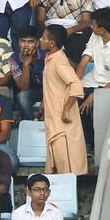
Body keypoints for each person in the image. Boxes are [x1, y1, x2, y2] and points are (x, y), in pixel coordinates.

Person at [40, 24, 88, 174]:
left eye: (43, 38)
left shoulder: (59, 61)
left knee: (66, 169)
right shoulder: (50, 58)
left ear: (52, 43)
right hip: (54, 119)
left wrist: (66, 109)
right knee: (59, 169)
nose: (40, 40)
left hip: (62, 122)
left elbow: (76, 85)